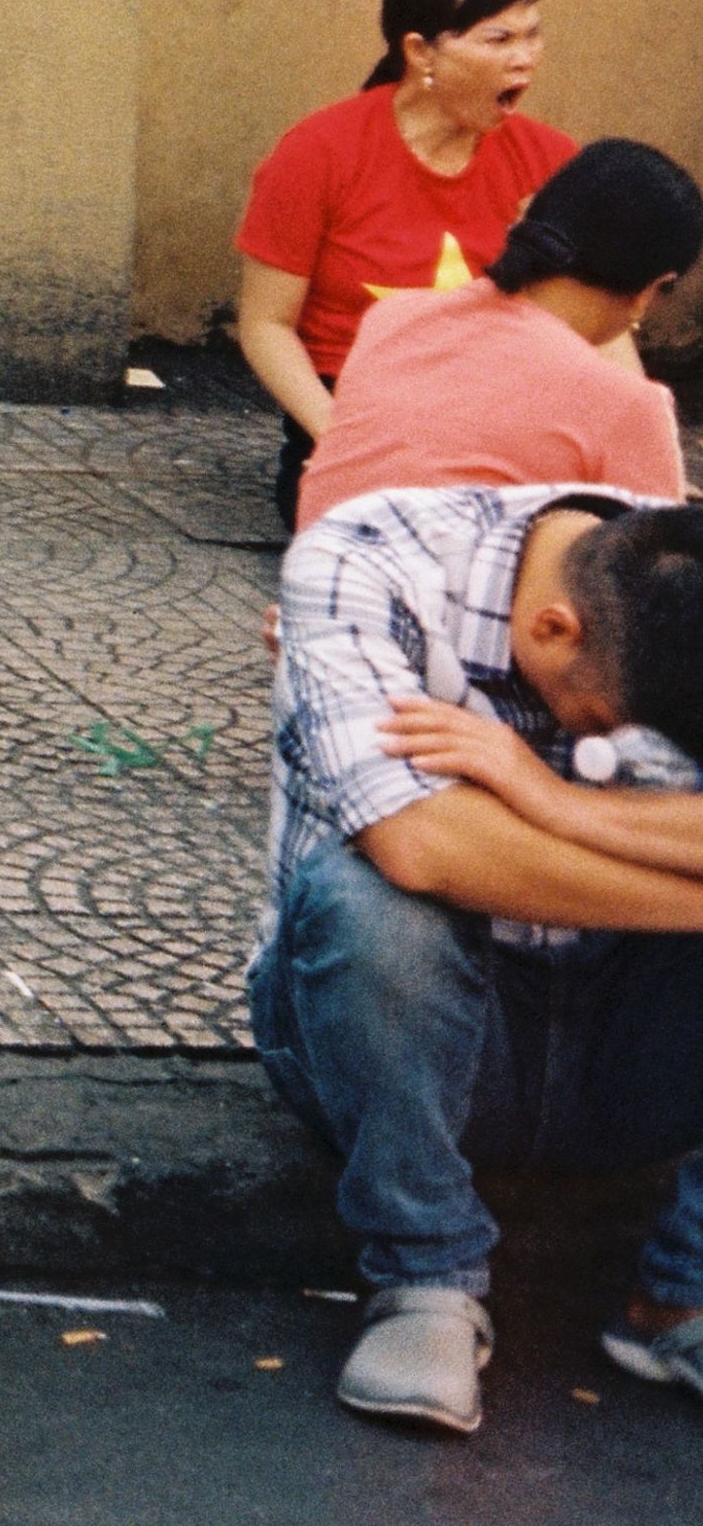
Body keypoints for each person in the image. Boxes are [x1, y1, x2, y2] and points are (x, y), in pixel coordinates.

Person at [252, 481, 703, 1432]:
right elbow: (422, 843)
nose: (606, 747)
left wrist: (553, 799)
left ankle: (681, 1296)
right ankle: (425, 1279)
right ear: (553, 629)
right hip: (383, 1042)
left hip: (630, 1048)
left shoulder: (683, 578)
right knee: (370, 890)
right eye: (601, 724)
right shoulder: (367, 562)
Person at [241, 0, 576, 524]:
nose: (525, 59)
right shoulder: (320, 152)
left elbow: (598, 320)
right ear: (420, 51)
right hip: (360, 412)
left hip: (499, 418)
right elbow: (266, 324)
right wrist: (342, 440)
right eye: (499, 40)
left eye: (533, 36)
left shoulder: (549, 161)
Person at [297, 141, 696, 525]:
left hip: (316, 564)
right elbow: (655, 562)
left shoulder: (393, 316)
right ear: (652, 290)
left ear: (529, 217)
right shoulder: (631, 405)